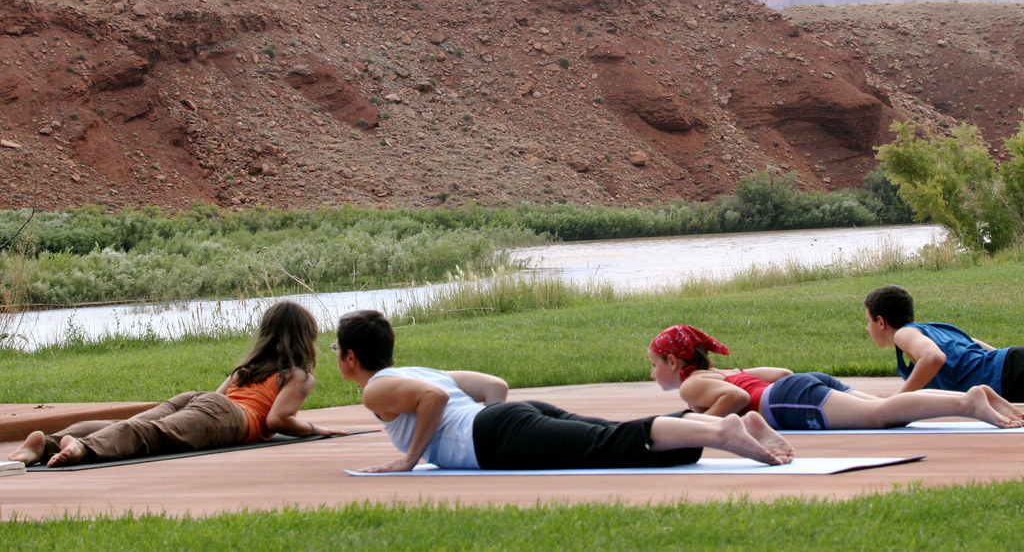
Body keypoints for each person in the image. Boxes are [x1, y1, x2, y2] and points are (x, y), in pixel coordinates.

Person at [334, 309, 796, 472]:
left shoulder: (375, 390)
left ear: (352, 357)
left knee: (609, 444)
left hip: (494, 436)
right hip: (504, 422)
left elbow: (432, 404)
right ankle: (740, 426)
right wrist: (493, 425)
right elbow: (495, 387)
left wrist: (409, 459)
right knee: (624, 442)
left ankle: (721, 433)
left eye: (337, 348)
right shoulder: (419, 371)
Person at [8, 300, 346, 468]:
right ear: (306, 337)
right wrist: (315, 428)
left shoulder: (247, 367)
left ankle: (45, 444)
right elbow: (277, 420)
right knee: (154, 436)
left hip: (200, 400)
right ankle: (84, 448)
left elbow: (213, 399)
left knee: (131, 425)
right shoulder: (298, 376)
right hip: (229, 416)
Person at [647, 324, 1023, 431]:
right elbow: (781, 373)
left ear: (673, 362)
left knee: (880, 417)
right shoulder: (724, 372)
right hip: (796, 386)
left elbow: (739, 400)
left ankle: (967, 401)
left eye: (654, 364)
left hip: (785, 402)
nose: (652, 373)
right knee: (886, 409)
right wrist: (747, 381)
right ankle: (974, 397)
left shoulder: (691, 384)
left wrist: (698, 423)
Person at [864, 284, 1024, 401]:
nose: (867, 328)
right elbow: (975, 344)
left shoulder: (903, 334)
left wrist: (897, 401)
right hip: (1012, 366)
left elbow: (933, 358)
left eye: (868, 321)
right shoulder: (933, 330)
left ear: (880, 322)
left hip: (1010, 374)